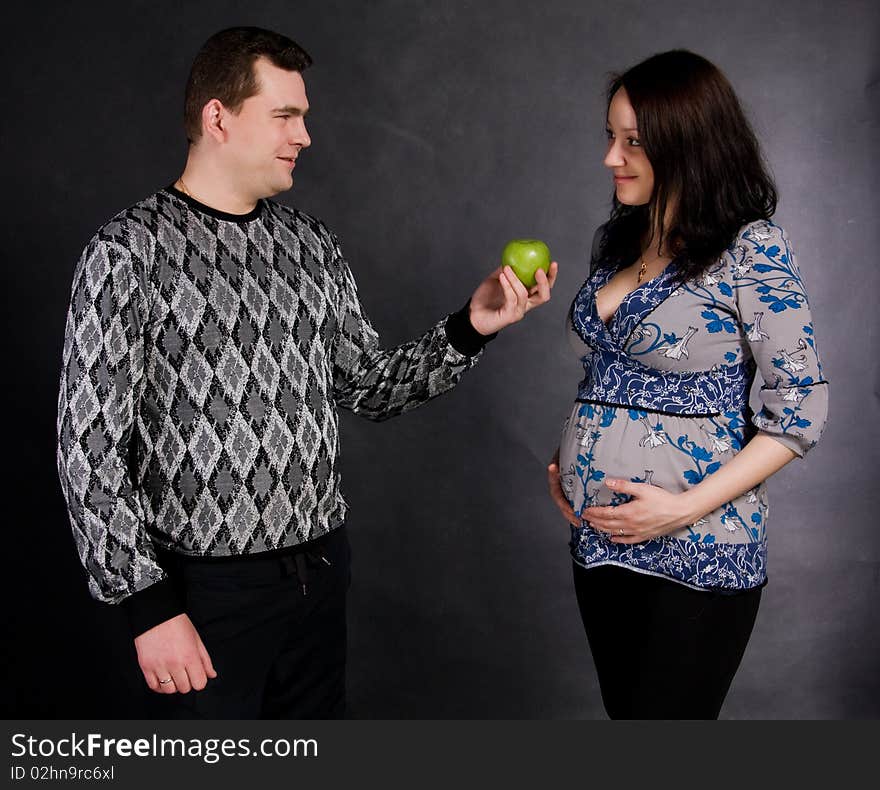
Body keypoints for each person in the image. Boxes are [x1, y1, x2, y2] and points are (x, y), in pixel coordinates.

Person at [56, 26, 557, 719]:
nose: (306, 136)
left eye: (305, 117)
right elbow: (87, 451)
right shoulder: (126, 252)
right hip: (203, 598)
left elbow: (371, 389)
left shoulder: (310, 244)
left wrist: (472, 326)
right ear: (218, 117)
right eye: (285, 116)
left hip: (320, 575)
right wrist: (148, 606)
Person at [546, 50, 828, 719]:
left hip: (696, 546)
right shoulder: (622, 242)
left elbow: (801, 411)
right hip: (602, 538)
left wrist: (679, 508)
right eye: (610, 137)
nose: (612, 158)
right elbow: (611, 377)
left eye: (634, 142)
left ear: (689, 145)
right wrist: (571, 460)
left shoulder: (750, 246)